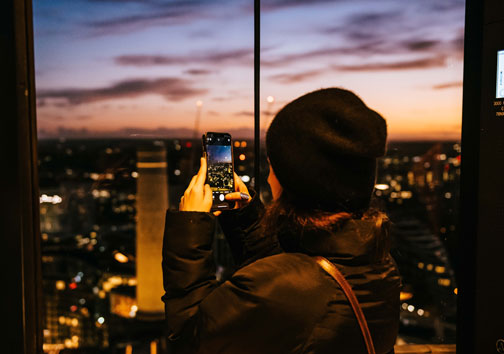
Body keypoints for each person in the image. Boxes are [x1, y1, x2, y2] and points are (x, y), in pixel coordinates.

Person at [162, 88, 401, 354]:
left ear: (298, 179)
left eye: (273, 167)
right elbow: (291, 277)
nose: (268, 178)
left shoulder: (292, 289)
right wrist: (247, 217)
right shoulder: (377, 260)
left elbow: (190, 339)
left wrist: (190, 226)